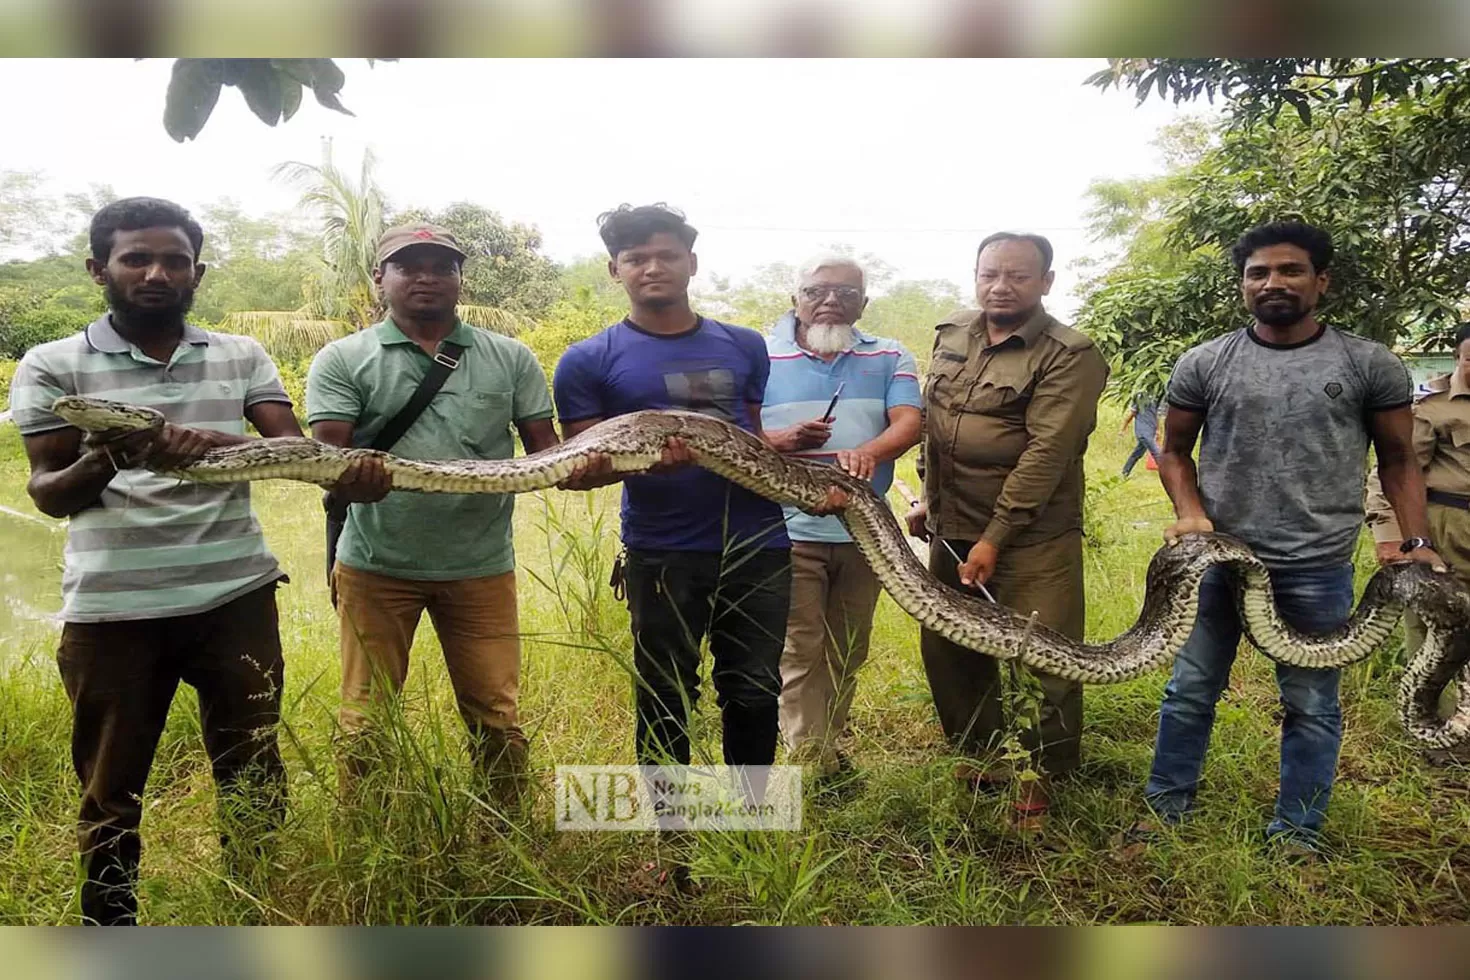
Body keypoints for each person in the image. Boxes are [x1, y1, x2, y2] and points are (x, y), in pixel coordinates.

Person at [7, 197, 301, 925]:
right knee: (111, 789)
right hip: (115, 610)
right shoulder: (53, 365)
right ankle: (110, 930)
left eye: (174, 260)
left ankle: (256, 912)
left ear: (196, 271)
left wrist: (195, 441)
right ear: (98, 268)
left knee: (254, 769)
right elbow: (48, 493)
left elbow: (294, 450)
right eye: (136, 258)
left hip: (237, 596)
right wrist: (109, 453)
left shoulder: (241, 354)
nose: (156, 272)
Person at [1126, 220, 1445, 856]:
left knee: (1310, 701)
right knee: (1190, 689)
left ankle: (1298, 831)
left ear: (1320, 281)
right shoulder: (1206, 362)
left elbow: (1399, 458)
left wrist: (1415, 542)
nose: (1273, 282)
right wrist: (1190, 513)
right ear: (1243, 285)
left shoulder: (1367, 362)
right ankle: (1165, 813)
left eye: (1290, 270)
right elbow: (1175, 453)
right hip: (1217, 561)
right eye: (1258, 273)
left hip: (1316, 564)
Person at [305, 223, 560, 803]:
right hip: (376, 566)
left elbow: (549, 456)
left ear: (459, 278)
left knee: (497, 717)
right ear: (380, 279)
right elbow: (330, 459)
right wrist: (353, 478)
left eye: (441, 266)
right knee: (366, 723)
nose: (426, 276)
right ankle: (369, 841)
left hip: (481, 568)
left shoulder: (510, 357)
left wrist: (601, 465)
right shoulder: (343, 359)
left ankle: (508, 839)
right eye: (408, 265)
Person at [905, 231, 1109, 831]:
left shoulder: (1069, 353)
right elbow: (936, 424)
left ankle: (1039, 778)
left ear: (1046, 281)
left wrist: (996, 536)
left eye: (1018, 276)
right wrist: (927, 497)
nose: (1001, 285)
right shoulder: (953, 333)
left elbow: (1048, 452)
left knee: (1042, 654)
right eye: (989, 273)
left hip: (1031, 532)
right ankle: (982, 758)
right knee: (950, 647)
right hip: (952, 523)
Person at [760, 253, 923, 781]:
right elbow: (732, 430)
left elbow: (909, 422)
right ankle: (812, 765)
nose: (831, 301)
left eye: (847, 294)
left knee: (847, 648)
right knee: (799, 648)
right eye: (818, 291)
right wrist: (780, 441)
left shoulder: (891, 355)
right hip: (785, 530)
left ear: (864, 304)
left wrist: (872, 452)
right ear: (795, 299)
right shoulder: (758, 355)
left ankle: (824, 747)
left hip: (866, 533)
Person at [1364, 321, 1470, 765]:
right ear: (1459, 357)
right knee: (1433, 631)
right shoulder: (1432, 407)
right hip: (1447, 524)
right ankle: (1437, 735)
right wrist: (1392, 537)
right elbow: (1393, 469)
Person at [1120, 388, 1163, 477]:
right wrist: (1123, 429)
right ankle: (1167, 474)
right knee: (1157, 452)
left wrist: (1158, 430)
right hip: (1143, 432)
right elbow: (1130, 415)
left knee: (1137, 454)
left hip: (1150, 432)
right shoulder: (1140, 398)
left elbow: (1157, 416)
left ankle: (1125, 472)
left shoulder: (1156, 398)